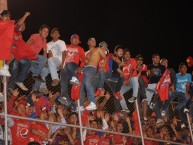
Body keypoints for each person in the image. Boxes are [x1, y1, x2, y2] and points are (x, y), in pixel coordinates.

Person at [9, 12, 34, 91]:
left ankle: (19, 81)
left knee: (27, 63)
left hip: (17, 54)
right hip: (10, 55)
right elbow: (18, 25)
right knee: (15, 67)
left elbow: (21, 46)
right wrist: (25, 16)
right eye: (22, 24)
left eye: (24, 25)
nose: (23, 26)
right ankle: (9, 87)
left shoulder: (19, 34)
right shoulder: (14, 29)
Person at [79, 41, 107, 111]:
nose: (94, 41)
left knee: (88, 82)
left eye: (95, 41)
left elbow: (105, 57)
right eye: (92, 40)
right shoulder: (85, 53)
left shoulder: (98, 49)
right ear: (88, 42)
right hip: (84, 69)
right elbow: (83, 62)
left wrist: (103, 67)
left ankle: (93, 102)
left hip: (92, 68)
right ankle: (81, 105)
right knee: (80, 86)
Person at [60, 34, 85, 106]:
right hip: (65, 68)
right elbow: (60, 55)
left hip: (73, 66)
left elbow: (83, 59)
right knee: (63, 81)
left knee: (69, 64)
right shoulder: (65, 47)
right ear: (71, 40)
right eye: (75, 39)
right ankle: (65, 97)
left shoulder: (80, 49)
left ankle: (75, 78)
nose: (76, 40)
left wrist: (80, 67)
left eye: (77, 39)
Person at [27, 25, 49, 90]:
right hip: (29, 56)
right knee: (33, 73)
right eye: (44, 31)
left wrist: (45, 62)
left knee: (38, 74)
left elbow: (45, 51)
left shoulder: (44, 40)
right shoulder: (36, 36)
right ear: (40, 31)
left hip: (34, 58)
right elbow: (27, 44)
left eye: (47, 32)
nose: (46, 33)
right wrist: (26, 55)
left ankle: (34, 91)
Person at [0, 10, 14, 77]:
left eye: (9, 16)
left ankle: (4, 66)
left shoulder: (9, 26)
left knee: (14, 49)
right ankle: (1, 67)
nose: (8, 17)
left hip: (4, 51)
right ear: (1, 16)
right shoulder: (2, 24)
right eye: (6, 16)